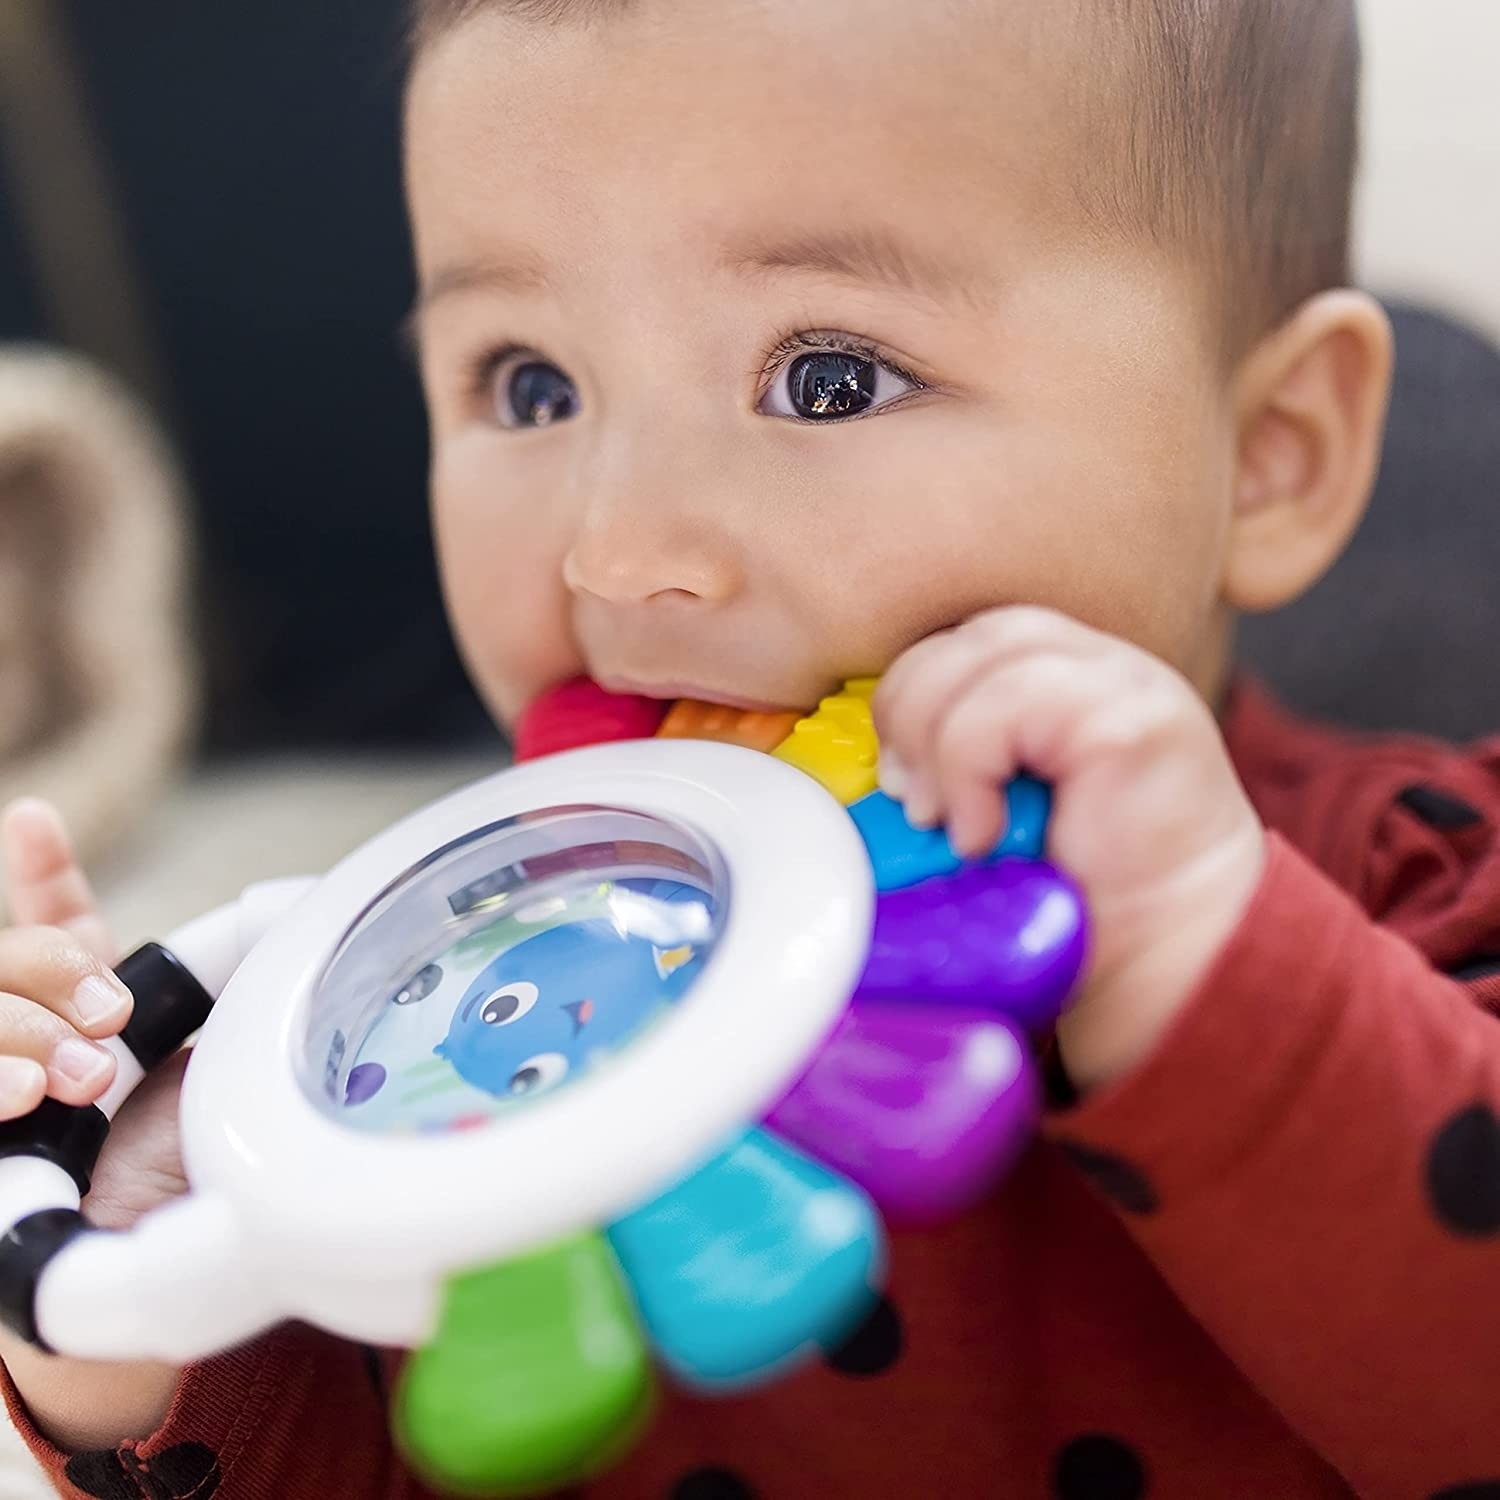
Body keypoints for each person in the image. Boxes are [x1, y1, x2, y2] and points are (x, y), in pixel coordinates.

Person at [2, 2, 1498, 1496]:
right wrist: (155, 1307)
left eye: (829, 375)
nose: (618, 550)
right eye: (531, 383)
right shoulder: (482, 1004)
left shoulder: (1431, 878)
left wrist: (1206, 962)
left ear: (1269, 454)